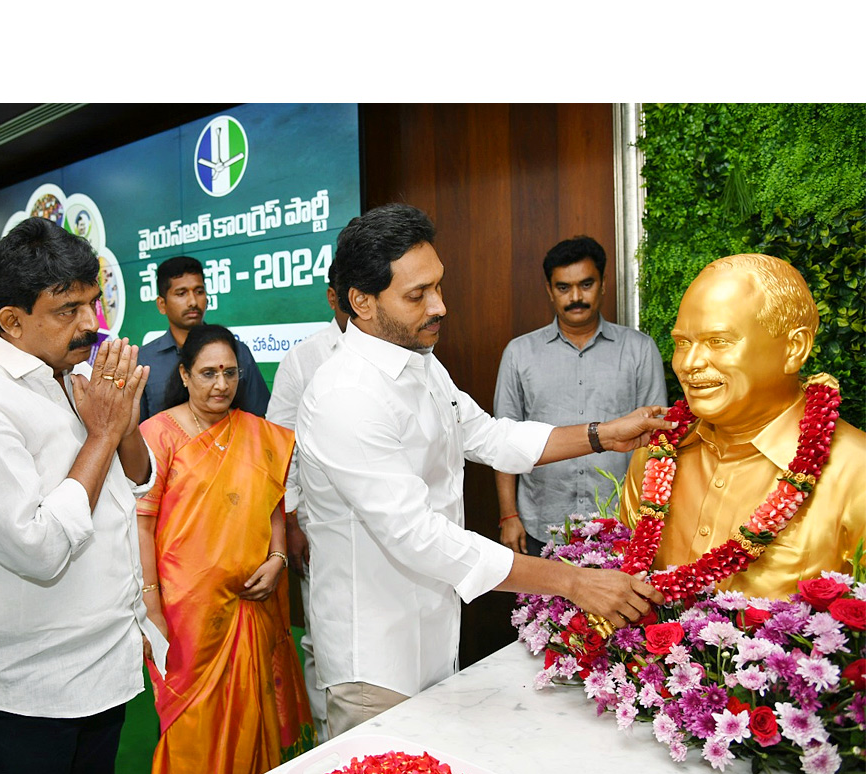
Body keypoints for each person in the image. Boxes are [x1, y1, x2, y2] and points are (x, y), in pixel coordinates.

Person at [296, 203, 673, 737]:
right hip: (374, 660)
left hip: (434, 632)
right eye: (417, 295)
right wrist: (572, 581)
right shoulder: (344, 396)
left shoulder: (421, 362)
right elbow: (420, 539)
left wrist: (603, 434)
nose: (440, 306)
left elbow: (492, 437)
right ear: (361, 301)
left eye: (438, 286)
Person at [0, 216, 165, 774]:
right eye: (66, 311)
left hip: (102, 661)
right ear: (11, 321)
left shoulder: (69, 370)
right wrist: (102, 432)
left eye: (92, 304)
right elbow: (39, 548)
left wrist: (121, 424)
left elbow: (137, 482)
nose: (90, 324)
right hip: (26, 687)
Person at [620, 254, 866, 599]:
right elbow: (624, 574)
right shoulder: (656, 453)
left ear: (794, 348)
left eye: (718, 341)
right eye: (682, 343)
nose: (689, 364)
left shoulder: (857, 473)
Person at [137, 323, 313, 774]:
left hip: (252, 602)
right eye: (208, 373)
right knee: (189, 717)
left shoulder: (260, 434)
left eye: (230, 373)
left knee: (253, 711)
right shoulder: (158, 435)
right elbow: (141, 523)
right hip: (185, 609)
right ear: (184, 375)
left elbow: (272, 502)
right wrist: (150, 603)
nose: (221, 385)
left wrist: (277, 560)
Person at [494, 236, 666, 557]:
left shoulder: (639, 350)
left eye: (586, 284)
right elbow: (504, 443)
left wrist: (649, 518)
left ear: (603, 285)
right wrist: (509, 515)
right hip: (541, 525)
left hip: (620, 526)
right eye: (563, 287)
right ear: (549, 290)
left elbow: (656, 443)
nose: (575, 297)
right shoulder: (520, 354)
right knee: (539, 610)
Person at [264, 259, 347, 743]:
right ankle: (327, 742)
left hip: (391, 526)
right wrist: (291, 520)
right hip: (320, 526)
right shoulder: (304, 358)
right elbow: (281, 447)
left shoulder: (405, 349)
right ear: (334, 297)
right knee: (322, 637)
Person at [138, 255, 270, 419]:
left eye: (199, 291)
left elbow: (257, 421)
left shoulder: (237, 352)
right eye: (181, 293)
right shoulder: (143, 361)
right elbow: (137, 432)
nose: (193, 302)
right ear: (162, 304)